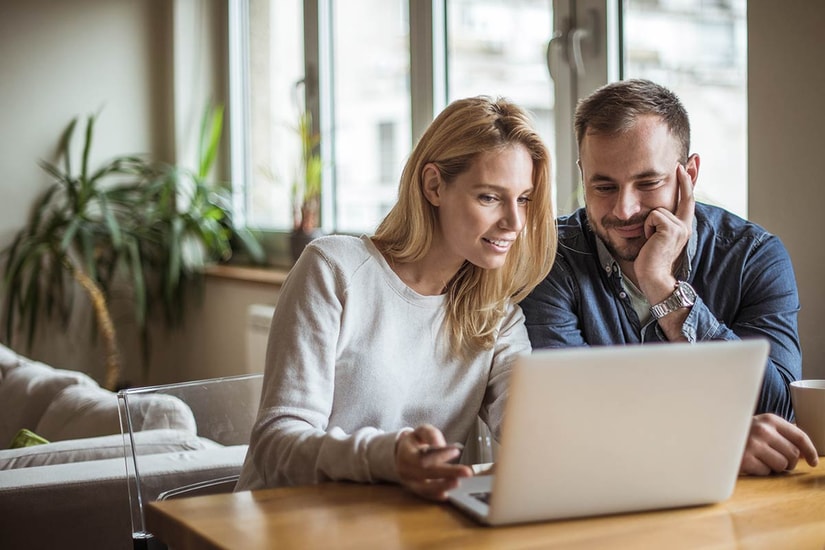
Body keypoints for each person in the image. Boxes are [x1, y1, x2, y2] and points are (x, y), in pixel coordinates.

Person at [236, 96, 556, 500]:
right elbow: (274, 445)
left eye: (523, 199)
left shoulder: (497, 315)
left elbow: (528, 428)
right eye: (490, 197)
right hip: (287, 523)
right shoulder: (334, 270)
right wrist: (386, 458)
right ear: (434, 185)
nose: (514, 222)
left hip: (400, 527)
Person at [519, 79, 819, 476]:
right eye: (604, 186)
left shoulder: (754, 257)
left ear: (689, 174)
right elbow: (565, 417)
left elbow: (779, 412)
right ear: (582, 174)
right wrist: (714, 439)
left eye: (648, 183)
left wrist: (663, 287)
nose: (624, 209)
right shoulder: (550, 256)